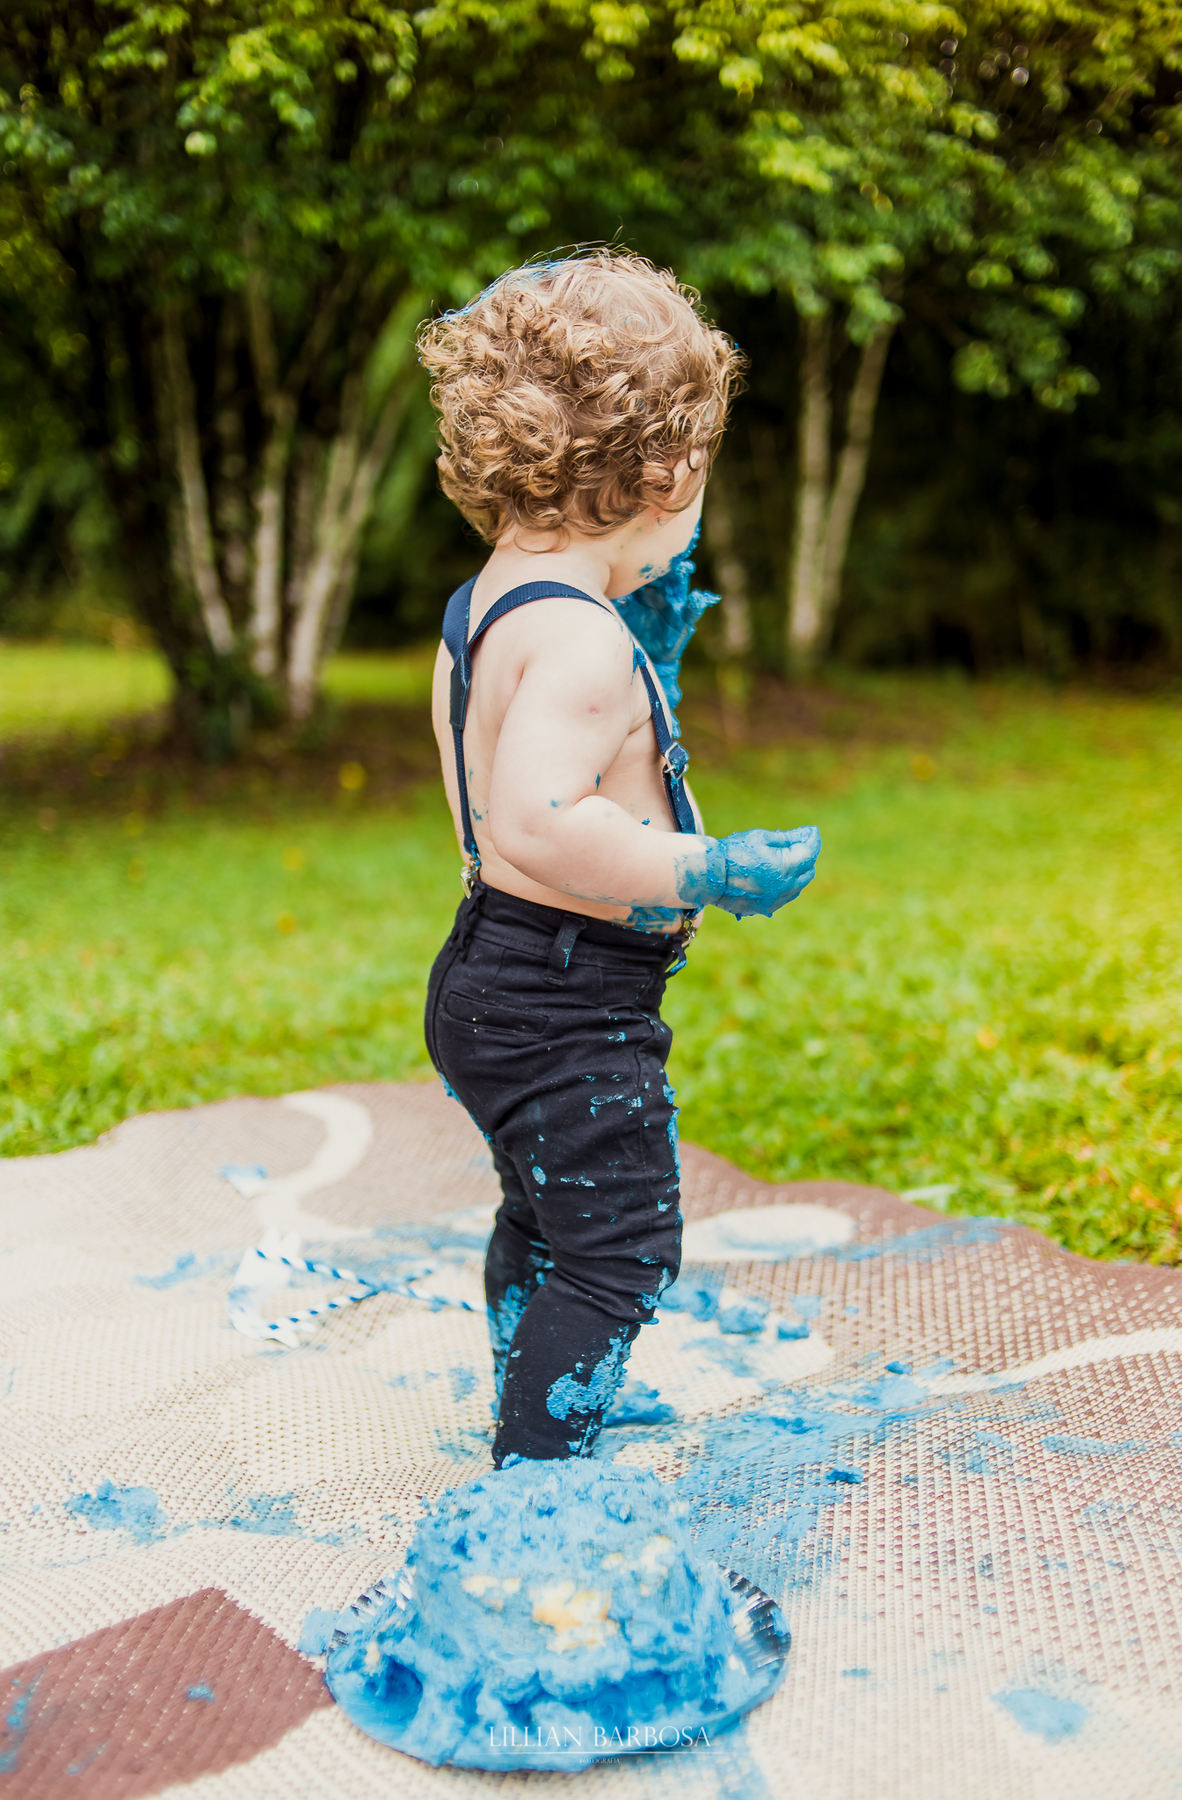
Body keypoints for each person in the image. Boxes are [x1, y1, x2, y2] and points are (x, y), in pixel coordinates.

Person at [419, 252, 820, 1466]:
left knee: (542, 1221)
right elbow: (537, 822)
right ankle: (539, 1474)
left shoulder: (491, 605)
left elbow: (525, 774)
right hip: (565, 998)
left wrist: (659, 671)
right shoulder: (583, 647)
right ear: (667, 470)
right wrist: (710, 868)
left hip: (494, 975)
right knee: (623, 1248)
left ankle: (532, 1390)